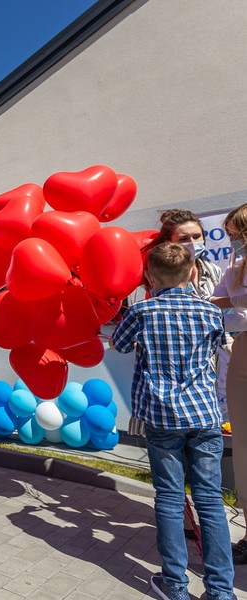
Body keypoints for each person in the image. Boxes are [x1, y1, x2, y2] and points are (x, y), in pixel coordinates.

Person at [113, 243, 233, 600]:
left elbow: (119, 344)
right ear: (192, 272)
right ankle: (221, 591)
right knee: (210, 501)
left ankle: (175, 585)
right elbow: (215, 349)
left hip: (162, 417)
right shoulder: (210, 312)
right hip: (204, 416)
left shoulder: (142, 311)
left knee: (169, 497)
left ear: (149, 276)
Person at [211, 203, 247, 566]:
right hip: (243, 353)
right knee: (246, 447)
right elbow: (217, 299)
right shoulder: (235, 270)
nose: (234, 243)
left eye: (238, 235)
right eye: (232, 237)